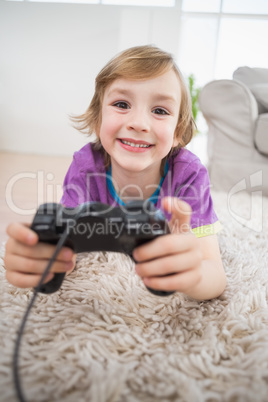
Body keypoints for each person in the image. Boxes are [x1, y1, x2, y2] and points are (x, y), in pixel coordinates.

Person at [4, 45, 226, 300]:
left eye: (160, 111)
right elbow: (66, 249)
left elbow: (215, 274)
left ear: (178, 132)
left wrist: (194, 274)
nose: (139, 123)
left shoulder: (189, 173)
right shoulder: (86, 166)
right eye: (122, 104)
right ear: (98, 119)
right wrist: (38, 258)